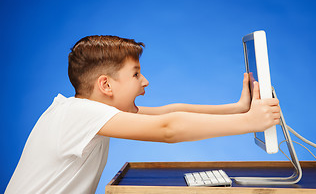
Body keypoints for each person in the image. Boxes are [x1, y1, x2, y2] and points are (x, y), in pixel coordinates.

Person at [5, 35, 280, 194]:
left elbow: (167, 112)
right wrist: (248, 123)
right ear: (106, 85)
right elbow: (167, 128)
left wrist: (238, 108)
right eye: (136, 74)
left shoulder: (85, 111)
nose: (144, 81)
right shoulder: (79, 113)